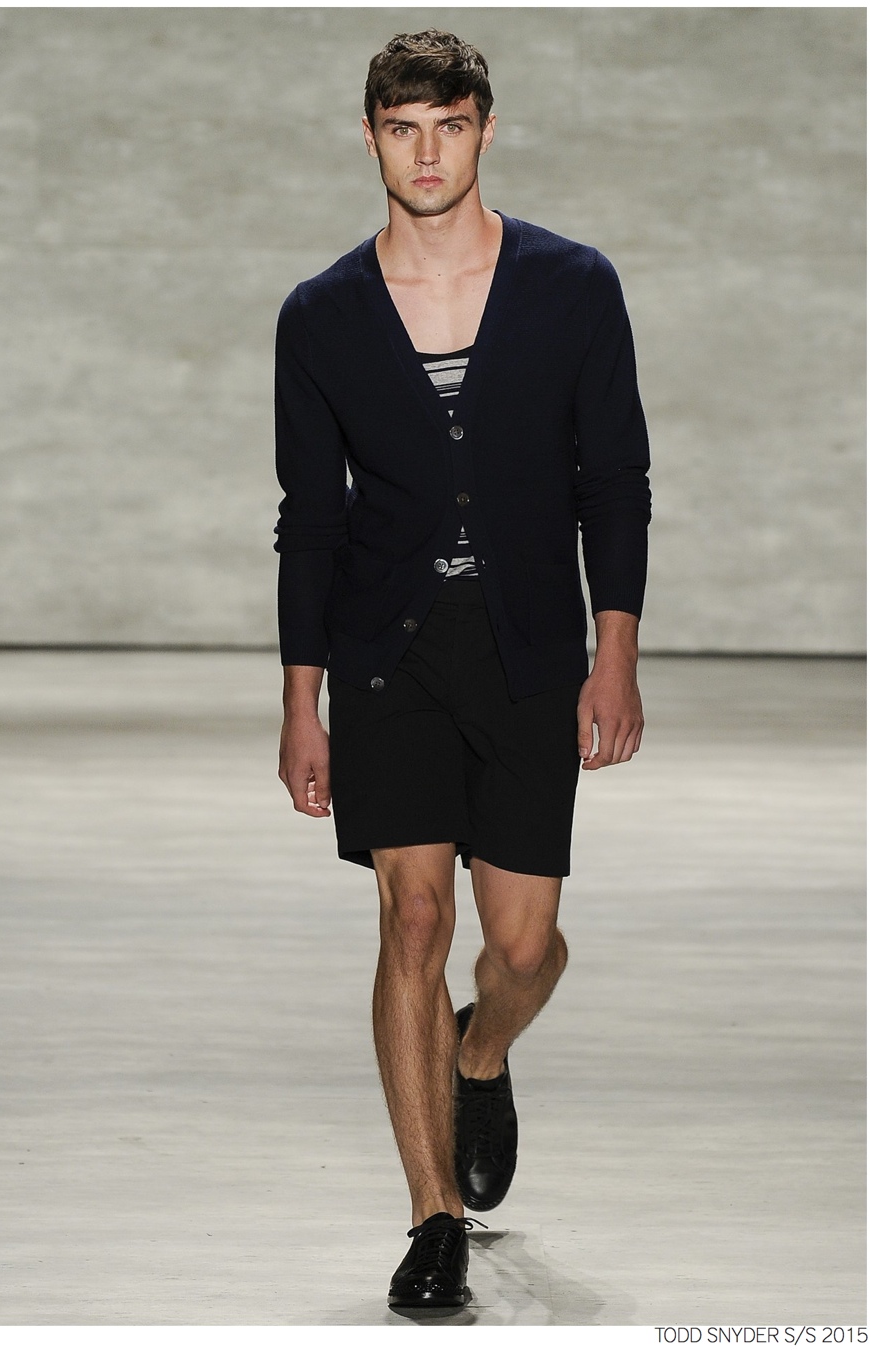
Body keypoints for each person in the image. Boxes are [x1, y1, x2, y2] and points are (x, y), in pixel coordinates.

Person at [274, 29, 650, 1314]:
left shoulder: (572, 285)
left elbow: (615, 480)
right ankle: (432, 1218)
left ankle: (478, 1057)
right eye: (402, 128)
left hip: (530, 647)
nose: (426, 152)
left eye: (448, 125)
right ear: (370, 137)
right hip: (389, 656)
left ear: (486, 127)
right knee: (414, 921)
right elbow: (310, 518)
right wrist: (301, 701)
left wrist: (616, 652)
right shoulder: (322, 314)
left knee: (524, 947)